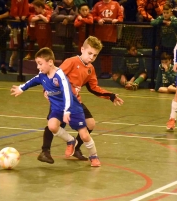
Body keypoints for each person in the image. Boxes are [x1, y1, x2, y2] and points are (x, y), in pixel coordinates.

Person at [37, 36, 124, 164]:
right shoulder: (71, 62)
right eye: (89, 53)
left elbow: (93, 87)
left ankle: (76, 148)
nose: (91, 57)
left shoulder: (90, 69)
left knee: (91, 124)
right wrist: (46, 90)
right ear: (82, 49)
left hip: (76, 102)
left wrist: (110, 95)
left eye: (95, 55)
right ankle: (45, 151)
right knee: (53, 125)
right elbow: (55, 75)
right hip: (61, 100)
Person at [10, 47, 101, 167]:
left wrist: (67, 111)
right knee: (52, 126)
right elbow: (32, 81)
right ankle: (71, 140)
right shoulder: (42, 75)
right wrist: (21, 88)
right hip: (57, 108)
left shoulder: (60, 76)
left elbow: (68, 94)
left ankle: (94, 156)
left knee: (84, 135)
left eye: (40, 64)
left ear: (50, 62)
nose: (38, 67)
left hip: (73, 108)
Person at [91, 0, 124, 79]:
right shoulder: (98, 4)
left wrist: (117, 20)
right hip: (100, 34)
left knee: (108, 54)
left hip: (111, 34)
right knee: (102, 54)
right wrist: (98, 19)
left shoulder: (116, 4)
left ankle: (108, 71)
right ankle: (103, 71)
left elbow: (121, 16)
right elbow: (92, 15)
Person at [8, 0, 29, 72]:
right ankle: (10, 66)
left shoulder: (25, 1)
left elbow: (26, 8)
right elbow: (13, 9)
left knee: (22, 51)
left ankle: (22, 68)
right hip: (15, 33)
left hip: (22, 34)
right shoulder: (14, 1)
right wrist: (16, 15)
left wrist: (24, 15)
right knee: (14, 52)